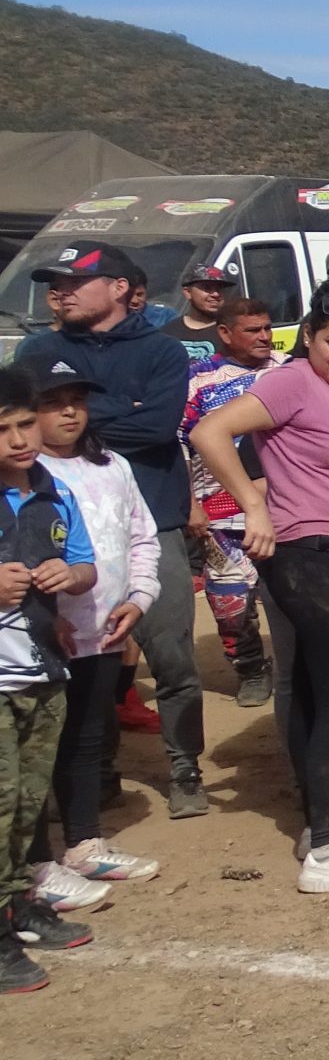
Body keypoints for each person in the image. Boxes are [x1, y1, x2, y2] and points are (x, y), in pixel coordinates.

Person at [188, 288, 329, 893]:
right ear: (309, 336)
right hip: (313, 556)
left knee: (319, 693)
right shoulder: (290, 381)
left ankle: (325, 825)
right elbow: (211, 432)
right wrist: (253, 505)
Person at [14, 241, 206, 819]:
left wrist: (77, 423)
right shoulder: (35, 349)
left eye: (74, 281)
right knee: (71, 662)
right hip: (51, 534)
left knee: (171, 659)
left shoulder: (163, 349)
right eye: (55, 282)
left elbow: (157, 427)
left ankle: (184, 766)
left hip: (154, 520)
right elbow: (26, 431)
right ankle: (95, 775)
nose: (59, 291)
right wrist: (125, 406)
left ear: (119, 288)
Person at [25, 369, 158, 911]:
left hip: (104, 628)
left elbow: (142, 537)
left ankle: (82, 843)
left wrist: (138, 599)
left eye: (76, 401)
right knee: (36, 747)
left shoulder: (113, 466)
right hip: (42, 635)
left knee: (87, 737)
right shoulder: (24, 475)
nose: (69, 413)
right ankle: (35, 861)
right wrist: (42, 614)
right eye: (53, 404)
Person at [0, 366, 99, 991]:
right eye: (3, 430)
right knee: (1, 800)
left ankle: (15, 902)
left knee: (28, 803)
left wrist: (71, 576)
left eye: (24, 424)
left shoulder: (53, 489)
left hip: (41, 667)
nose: (18, 439)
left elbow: (86, 567)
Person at [182, 297, 278, 702]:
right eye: (252, 330)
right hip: (220, 512)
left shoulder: (288, 371)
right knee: (230, 603)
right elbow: (179, 444)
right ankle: (251, 669)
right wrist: (190, 503)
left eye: (267, 328)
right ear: (224, 333)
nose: (264, 337)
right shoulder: (197, 380)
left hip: (286, 507)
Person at [170, 262, 235, 364]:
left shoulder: (234, 331)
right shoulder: (168, 333)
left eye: (220, 289)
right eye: (207, 288)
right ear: (187, 292)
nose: (216, 294)